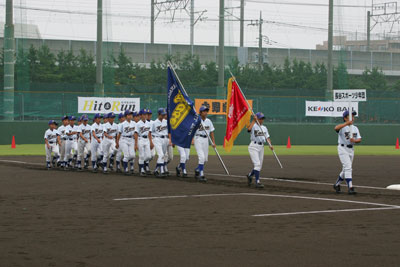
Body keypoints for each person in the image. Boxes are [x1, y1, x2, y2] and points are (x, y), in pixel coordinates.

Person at [333, 110, 362, 195]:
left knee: (345, 169)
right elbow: (336, 128)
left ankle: (336, 184)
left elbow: (359, 139)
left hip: (351, 149)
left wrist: (355, 140)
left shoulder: (355, 128)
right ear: (345, 118)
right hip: (342, 148)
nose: (352, 118)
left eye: (353, 116)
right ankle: (350, 187)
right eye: (350, 116)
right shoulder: (342, 127)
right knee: (348, 167)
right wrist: (347, 124)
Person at [246, 112, 274, 189]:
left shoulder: (264, 128)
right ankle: (257, 182)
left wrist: (270, 145)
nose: (262, 120)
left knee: (259, 166)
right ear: (257, 118)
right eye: (260, 118)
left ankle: (250, 175)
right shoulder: (253, 126)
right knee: (257, 164)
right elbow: (248, 130)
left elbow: (267, 137)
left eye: (262, 119)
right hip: (253, 146)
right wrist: (253, 121)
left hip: (261, 147)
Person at [193, 106, 216, 182]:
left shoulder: (209, 121)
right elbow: (192, 131)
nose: (206, 113)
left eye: (206, 111)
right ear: (200, 112)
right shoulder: (196, 120)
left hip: (206, 139)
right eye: (204, 111)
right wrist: (192, 139)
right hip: (198, 138)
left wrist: (213, 142)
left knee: (205, 159)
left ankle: (197, 170)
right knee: (201, 157)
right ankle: (201, 175)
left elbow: (212, 131)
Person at [116, 110, 136, 175]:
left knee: (133, 155)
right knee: (127, 155)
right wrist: (117, 142)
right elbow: (119, 134)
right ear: (126, 116)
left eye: (131, 115)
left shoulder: (134, 123)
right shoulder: (122, 124)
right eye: (129, 115)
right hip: (123, 139)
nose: (130, 116)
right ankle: (126, 169)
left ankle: (123, 160)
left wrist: (136, 143)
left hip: (131, 139)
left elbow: (135, 134)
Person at [135, 109, 153, 176]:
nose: (145, 115)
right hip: (140, 139)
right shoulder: (138, 124)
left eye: (146, 114)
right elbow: (136, 134)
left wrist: (151, 142)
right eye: (144, 114)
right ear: (140, 115)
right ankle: (142, 169)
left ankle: (140, 163)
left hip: (147, 140)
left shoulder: (149, 123)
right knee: (141, 155)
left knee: (148, 156)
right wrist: (136, 144)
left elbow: (149, 133)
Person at [151, 108, 168, 177]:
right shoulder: (154, 123)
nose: (163, 115)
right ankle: (162, 171)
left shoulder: (166, 122)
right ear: (158, 114)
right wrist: (151, 142)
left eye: (164, 114)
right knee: (161, 155)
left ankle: (156, 170)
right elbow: (150, 132)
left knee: (163, 156)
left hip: (165, 139)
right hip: (157, 139)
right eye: (162, 114)